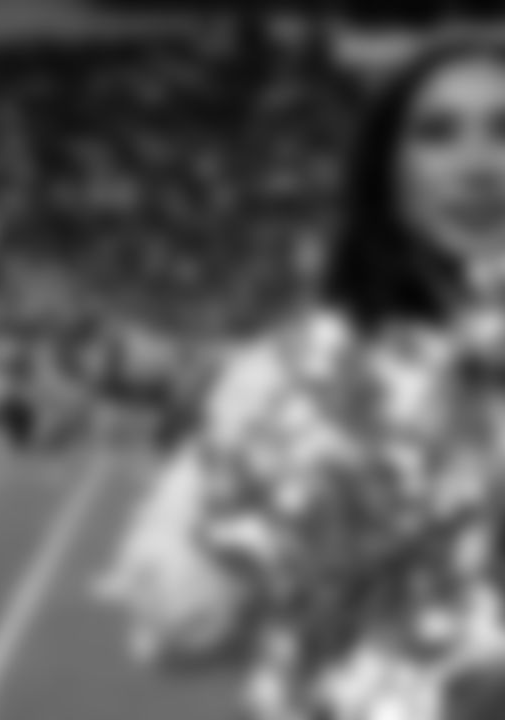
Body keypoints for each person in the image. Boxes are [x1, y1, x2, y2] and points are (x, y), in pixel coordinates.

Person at [91, 38, 505, 720]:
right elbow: (178, 626)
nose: (479, 164)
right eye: (437, 133)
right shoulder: (286, 376)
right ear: (386, 178)